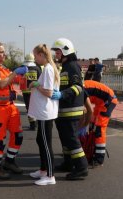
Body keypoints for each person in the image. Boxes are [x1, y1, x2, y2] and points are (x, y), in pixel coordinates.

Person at [0, 41, 28, 179]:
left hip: (11, 108)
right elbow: (1, 83)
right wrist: (15, 72)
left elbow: (16, 88)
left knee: (18, 136)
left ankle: (9, 161)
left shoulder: (4, 69)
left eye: (3, 51)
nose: (2, 54)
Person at [51, 38, 88, 180]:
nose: (56, 54)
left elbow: (78, 87)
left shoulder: (73, 66)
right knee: (65, 138)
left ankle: (81, 167)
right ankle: (68, 163)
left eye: (58, 51)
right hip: (64, 110)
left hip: (71, 110)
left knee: (71, 139)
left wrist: (62, 94)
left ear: (65, 50)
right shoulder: (65, 67)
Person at [27, 44, 60, 186]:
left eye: (35, 56)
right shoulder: (47, 68)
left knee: (46, 144)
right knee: (40, 141)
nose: (34, 59)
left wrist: (35, 85)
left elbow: (49, 92)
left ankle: (50, 176)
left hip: (45, 112)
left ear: (41, 55)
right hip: (42, 112)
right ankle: (43, 170)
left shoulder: (48, 69)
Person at [83, 74, 118, 167]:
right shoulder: (80, 86)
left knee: (99, 129)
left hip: (109, 102)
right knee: (91, 126)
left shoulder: (81, 90)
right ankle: (92, 150)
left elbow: (88, 109)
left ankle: (99, 158)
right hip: (101, 102)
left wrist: (84, 123)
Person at [20, 53, 42, 130]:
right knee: (36, 107)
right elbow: (40, 80)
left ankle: (32, 125)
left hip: (26, 92)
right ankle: (37, 123)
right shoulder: (37, 68)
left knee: (29, 108)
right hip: (35, 91)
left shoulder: (22, 67)